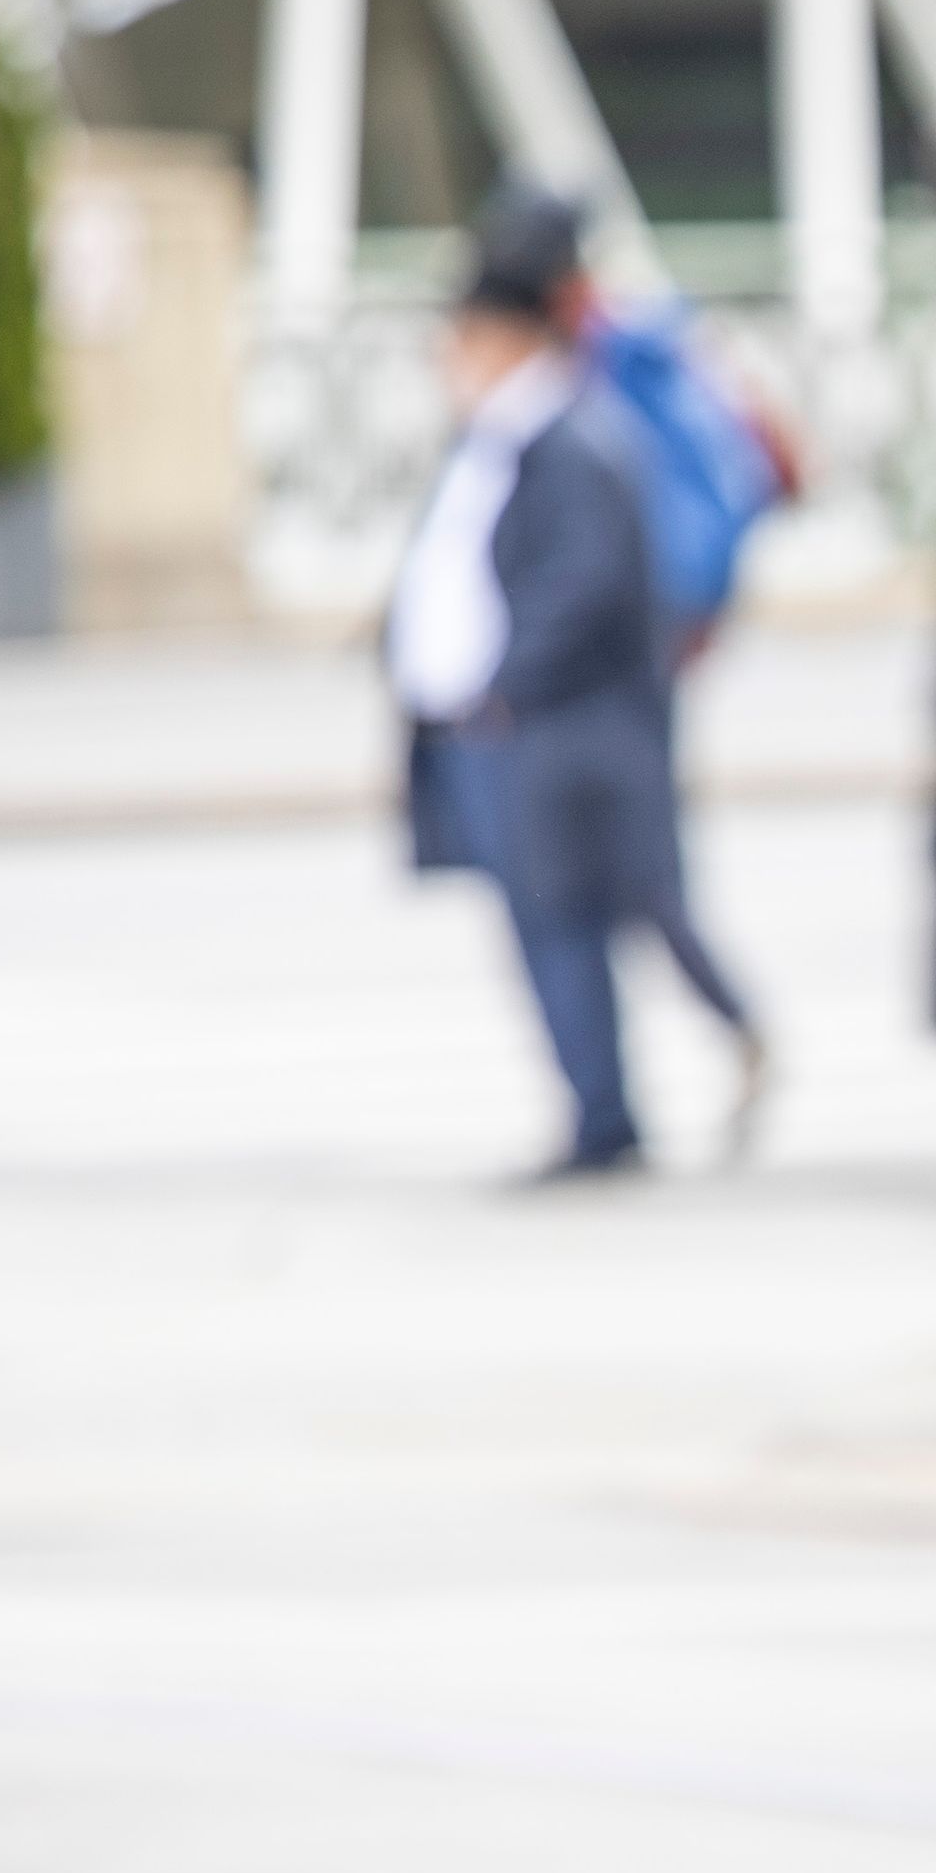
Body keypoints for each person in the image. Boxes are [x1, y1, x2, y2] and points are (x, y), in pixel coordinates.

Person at [392, 186, 762, 1182]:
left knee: (590, 914)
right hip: (515, 724)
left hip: (556, 727)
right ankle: (607, 1106)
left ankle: (616, 1111)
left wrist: (500, 681)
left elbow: (583, 582)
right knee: (579, 915)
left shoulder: (573, 438)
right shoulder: (512, 437)